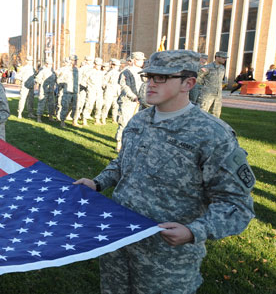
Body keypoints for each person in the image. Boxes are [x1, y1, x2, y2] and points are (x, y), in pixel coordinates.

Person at [73, 50, 254, 294]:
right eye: (149, 77)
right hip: (120, 239)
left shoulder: (213, 134)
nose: (151, 84)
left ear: (188, 83)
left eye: (161, 78)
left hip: (166, 258)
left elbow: (237, 205)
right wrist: (97, 183)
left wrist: (194, 231)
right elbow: (123, 162)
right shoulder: (139, 121)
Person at [115, 52, 146, 151]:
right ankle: (119, 143)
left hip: (140, 101)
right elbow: (124, 86)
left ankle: (132, 142)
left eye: (142, 60)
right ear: (133, 60)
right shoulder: (126, 71)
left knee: (137, 124)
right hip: (128, 101)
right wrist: (133, 96)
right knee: (124, 122)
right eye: (140, 60)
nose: (142, 61)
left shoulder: (143, 71)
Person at [199, 51, 228, 118]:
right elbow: (198, 78)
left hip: (218, 95)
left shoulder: (222, 68)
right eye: (223, 58)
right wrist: (204, 88)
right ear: (217, 57)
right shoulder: (208, 67)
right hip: (207, 95)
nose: (225, 59)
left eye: (225, 58)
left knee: (216, 115)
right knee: (202, 113)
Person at [81, 58, 105, 126]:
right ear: (94, 64)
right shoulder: (89, 72)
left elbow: (103, 81)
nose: (99, 66)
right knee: (89, 105)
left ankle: (97, 119)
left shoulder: (101, 73)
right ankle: (84, 120)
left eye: (100, 65)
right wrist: (88, 87)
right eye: (98, 65)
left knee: (99, 105)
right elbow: (83, 81)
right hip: (91, 91)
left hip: (99, 91)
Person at [59, 56, 80, 128]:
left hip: (75, 91)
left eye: (76, 60)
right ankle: (62, 121)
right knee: (65, 106)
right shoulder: (66, 70)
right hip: (68, 91)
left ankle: (74, 121)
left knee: (76, 107)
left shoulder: (77, 70)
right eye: (74, 60)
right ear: (70, 61)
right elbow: (60, 80)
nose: (75, 62)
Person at [99, 59, 122, 124]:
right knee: (107, 106)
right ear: (113, 66)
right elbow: (104, 82)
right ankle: (103, 118)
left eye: (118, 66)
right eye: (117, 65)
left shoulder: (119, 73)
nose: (118, 67)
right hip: (109, 91)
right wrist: (106, 87)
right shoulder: (109, 73)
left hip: (116, 91)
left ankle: (114, 119)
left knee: (116, 106)